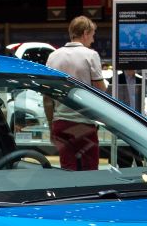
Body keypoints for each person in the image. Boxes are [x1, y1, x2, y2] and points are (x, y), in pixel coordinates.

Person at [44, 15, 107, 170]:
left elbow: (47, 97)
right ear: (85, 33)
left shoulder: (53, 57)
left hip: (60, 123)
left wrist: (51, 124)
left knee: (67, 171)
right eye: (92, 35)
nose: (92, 40)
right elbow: (101, 90)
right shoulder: (91, 55)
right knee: (89, 172)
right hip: (84, 124)